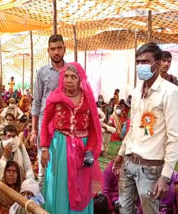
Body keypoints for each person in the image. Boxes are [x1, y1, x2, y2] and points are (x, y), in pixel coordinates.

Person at [113, 43, 178, 214]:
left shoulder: (169, 92)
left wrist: (165, 176)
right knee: (124, 211)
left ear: (157, 63)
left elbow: (174, 138)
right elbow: (133, 128)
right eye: (138, 62)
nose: (140, 66)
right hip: (129, 163)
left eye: (145, 62)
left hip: (151, 168)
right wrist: (120, 154)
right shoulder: (136, 92)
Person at [40, 62, 102, 213]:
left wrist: (90, 151)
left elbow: (94, 129)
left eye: (73, 77)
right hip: (59, 148)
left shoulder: (87, 100)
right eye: (66, 76)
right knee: (60, 186)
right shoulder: (55, 98)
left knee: (81, 187)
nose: (69, 80)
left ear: (80, 79)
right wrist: (44, 148)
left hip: (82, 150)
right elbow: (45, 123)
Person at [30, 34, 66, 188]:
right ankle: (42, 205)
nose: (56, 52)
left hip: (66, 126)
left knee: (63, 165)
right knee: (43, 165)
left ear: (64, 49)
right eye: (53, 49)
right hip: (45, 125)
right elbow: (36, 102)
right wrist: (33, 130)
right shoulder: (42, 72)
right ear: (48, 51)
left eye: (59, 48)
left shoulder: (71, 71)